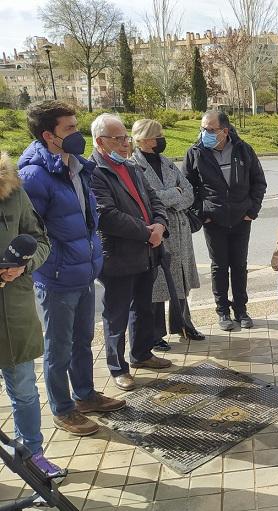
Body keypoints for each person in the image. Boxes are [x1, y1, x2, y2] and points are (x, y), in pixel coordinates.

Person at [18, 101, 125, 437]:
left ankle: (85, 396)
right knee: (58, 347)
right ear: (49, 135)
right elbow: (29, 232)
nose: (77, 134)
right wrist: (52, 264)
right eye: (69, 129)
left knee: (82, 340)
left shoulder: (78, 165)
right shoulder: (34, 175)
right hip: (57, 278)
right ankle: (63, 410)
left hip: (84, 271)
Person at [90, 113, 172, 392]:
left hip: (147, 251)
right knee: (116, 314)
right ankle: (117, 367)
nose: (126, 143)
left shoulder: (132, 167)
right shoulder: (94, 172)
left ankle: (142, 353)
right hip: (119, 256)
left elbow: (155, 200)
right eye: (119, 138)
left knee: (143, 307)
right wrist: (147, 231)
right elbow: (107, 215)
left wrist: (160, 225)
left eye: (126, 137)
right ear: (101, 142)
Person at [0, 151, 65, 477]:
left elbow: (41, 240)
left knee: (24, 390)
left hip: (14, 312)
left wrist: (24, 265)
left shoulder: (12, 189)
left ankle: (32, 456)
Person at [183, 110, 267, 331]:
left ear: (225, 131)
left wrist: (252, 210)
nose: (205, 133)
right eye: (202, 129)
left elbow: (259, 182)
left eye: (210, 130)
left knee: (239, 266)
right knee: (219, 267)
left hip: (241, 218)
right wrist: (203, 213)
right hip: (214, 220)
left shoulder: (243, 150)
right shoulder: (195, 153)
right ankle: (223, 312)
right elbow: (186, 187)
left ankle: (241, 310)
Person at [131, 119, 204, 351]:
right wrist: (175, 194)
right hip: (157, 228)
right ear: (142, 139)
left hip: (180, 229)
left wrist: (169, 196)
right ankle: (154, 333)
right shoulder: (133, 165)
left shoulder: (166, 162)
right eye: (156, 136)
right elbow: (146, 198)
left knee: (181, 278)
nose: (161, 139)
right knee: (157, 283)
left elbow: (189, 193)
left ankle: (184, 323)